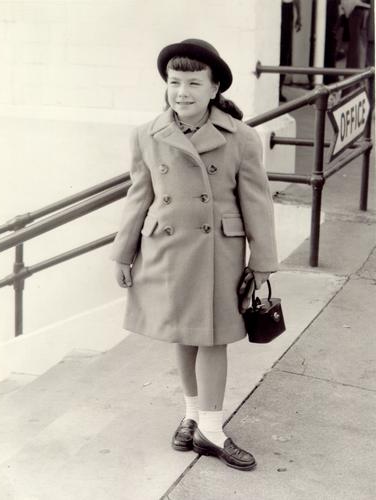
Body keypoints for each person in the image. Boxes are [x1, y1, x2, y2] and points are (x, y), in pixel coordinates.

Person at [111, 39, 278, 471]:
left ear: (214, 86)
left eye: (192, 82)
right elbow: (138, 197)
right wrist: (122, 253)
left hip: (217, 249)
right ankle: (192, 415)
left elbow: (257, 201)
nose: (181, 91)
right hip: (166, 248)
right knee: (184, 335)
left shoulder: (240, 137)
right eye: (174, 82)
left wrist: (262, 260)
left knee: (214, 336)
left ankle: (212, 429)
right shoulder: (147, 135)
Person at [279, 0, 302, 102]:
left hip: (287, 7)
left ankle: (279, 88)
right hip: (281, 8)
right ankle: (277, 88)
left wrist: (299, 15)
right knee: (282, 51)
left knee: (284, 51)